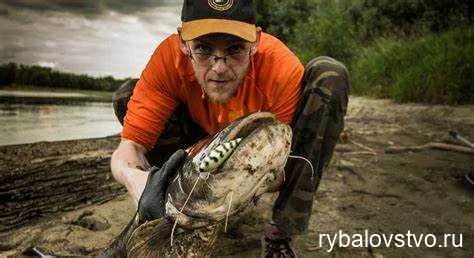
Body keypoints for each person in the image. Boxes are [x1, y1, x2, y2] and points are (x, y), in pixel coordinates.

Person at [110, 0, 349, 256]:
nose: (219, 68)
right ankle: (172, 195)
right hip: (197, 140)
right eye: (202, 48)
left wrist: (229, 185)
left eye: (235, 49)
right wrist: (138, 183)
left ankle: (281, 232)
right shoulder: (169, 59)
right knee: (127, 95)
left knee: (330, 75)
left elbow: (279, 172)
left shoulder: (280, 68)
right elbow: (128, 151)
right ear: (183, 42)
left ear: (255, 42)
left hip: (254, 151)